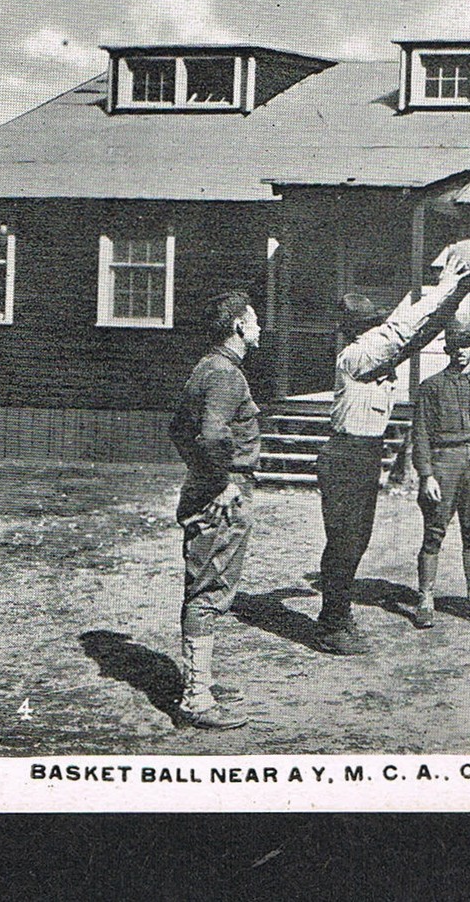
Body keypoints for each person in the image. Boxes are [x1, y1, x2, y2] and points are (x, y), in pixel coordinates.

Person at [314, 249, 470, 655]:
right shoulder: (356, 356)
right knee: (344, 542)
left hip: (364, 455)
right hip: (345, 455)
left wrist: (454, 296)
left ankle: (336, 612)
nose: (377, 329)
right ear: (359, 330)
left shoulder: (374, 351)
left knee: (356, 541)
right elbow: (400, 332)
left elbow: (418, 335)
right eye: (371, 325)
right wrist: (442, 287)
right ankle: (331, 625)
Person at [168, 290, 262, 730]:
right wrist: (221, 481)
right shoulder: (227, 375)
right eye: (255, 320)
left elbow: (177, 429)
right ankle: (195, 699)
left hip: (206, 487)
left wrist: (202, 474)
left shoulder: (207, 367)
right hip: (222, 493)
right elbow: (208, 436)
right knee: (209, 593)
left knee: (205, 586)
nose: (260, 327)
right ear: (240, 326)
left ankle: (198, 679)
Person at [410, 319, 470, 628]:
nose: (461, 352)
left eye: (467, 346)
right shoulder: (431, 387)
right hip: (444, 462)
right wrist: (426, 474)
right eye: (455, 346)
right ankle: (425, 598)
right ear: (448, 349)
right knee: (434, 530)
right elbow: (421, 433)